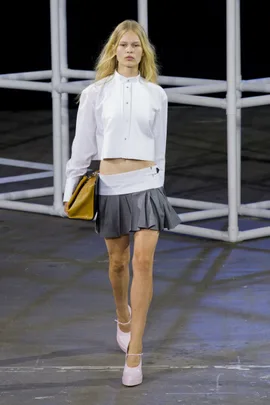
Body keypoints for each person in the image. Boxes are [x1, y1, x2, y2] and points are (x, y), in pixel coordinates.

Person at [63, 19, 181, 387]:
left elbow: (159, 147)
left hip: (146, 184)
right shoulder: (96, 93)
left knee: (143, 262)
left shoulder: (155, 94)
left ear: (143, 52)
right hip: (111, 185)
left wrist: (158, 185)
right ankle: (122, 317)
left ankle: (136, 353)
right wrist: (71, 187)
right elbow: (83, 146)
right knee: (117, 264)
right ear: (114, 50)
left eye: (136, 45)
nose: (130, 51)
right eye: (124, 45)